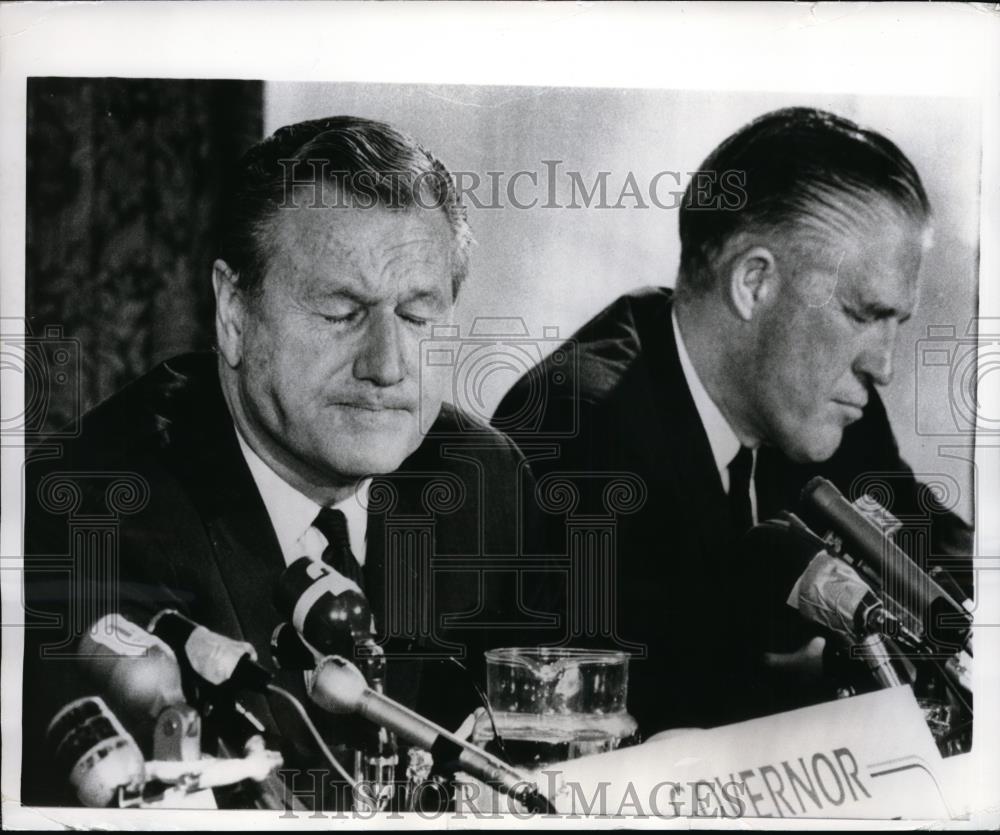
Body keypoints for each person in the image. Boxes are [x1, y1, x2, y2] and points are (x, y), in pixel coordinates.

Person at [21, 116, 544, 809]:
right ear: (235, 312)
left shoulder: (481, 480)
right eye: (339, 311)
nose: (387, 365)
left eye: (417, 316)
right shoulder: (92, 507)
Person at [493, 107, 973, 737]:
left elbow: (950, 580)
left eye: (895, 323)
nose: (883, 366)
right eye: (862, 315)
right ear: (753, 283)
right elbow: (642, 720)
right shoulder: (578, 432)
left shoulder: (821, 400)